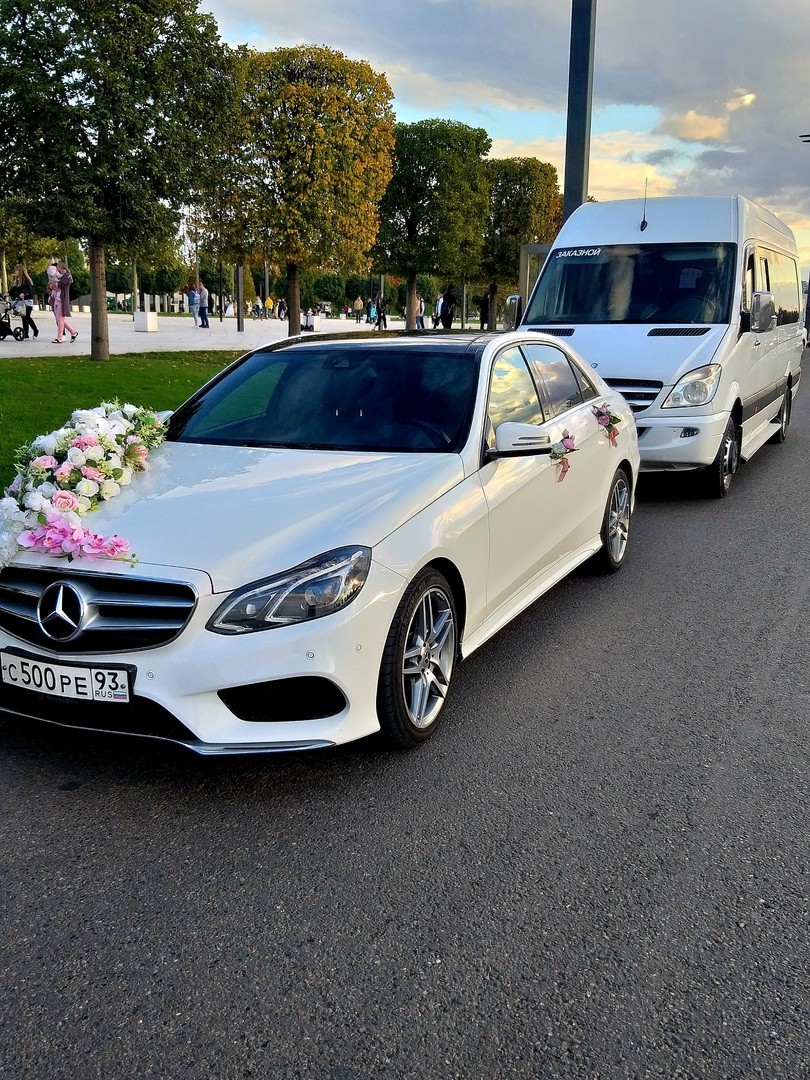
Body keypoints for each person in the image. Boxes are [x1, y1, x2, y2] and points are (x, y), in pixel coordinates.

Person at [50, 259, 78, 343]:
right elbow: (52, 285)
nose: (56, 269)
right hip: (56, 298)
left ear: (60, 267)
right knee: (59, 318)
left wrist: (54, 284)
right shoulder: (58, 276)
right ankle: (73, 332)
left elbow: (61, 284)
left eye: (57, 267)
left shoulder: (67, 276)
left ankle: (59, 337)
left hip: (62, 299)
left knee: (60, 319)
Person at [12, 262, 38, 340]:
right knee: (24, 317)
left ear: (20, 271)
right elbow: (14, 289)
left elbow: (28, 289)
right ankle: (26, 333)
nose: (15, 272)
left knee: (27, 317)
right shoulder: (17, 280)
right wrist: (8, 293)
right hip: (21, 301)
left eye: (16, 270)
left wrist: (24, 293)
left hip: (27, 300)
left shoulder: (26, 280)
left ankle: (35, 330)